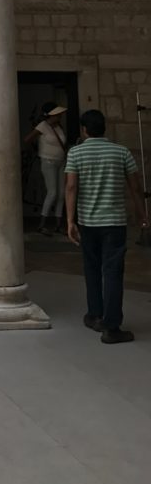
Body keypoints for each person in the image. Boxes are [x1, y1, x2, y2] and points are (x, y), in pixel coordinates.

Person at [65, 109, 149, 344]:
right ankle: (112, 327)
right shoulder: (121, 152)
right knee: (112, 272)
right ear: (104, 128)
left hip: (87, 222)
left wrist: (70, 221)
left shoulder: (76, 153)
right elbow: (135, 187)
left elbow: (71, 187)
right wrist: (144, 215)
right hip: (114, 223)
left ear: (84, 129)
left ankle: (94, 315)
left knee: (91, 269)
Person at [24, 102, 68, 235]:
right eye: (58, 114)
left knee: (61, 194)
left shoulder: (59, 126)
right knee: (53, 192)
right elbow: (28, 139)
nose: (60, 116)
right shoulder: (42, 126)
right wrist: (38, 153)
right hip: (48, 162)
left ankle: (58, 225)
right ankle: (42, 224)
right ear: (52, 114)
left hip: (61, 162)